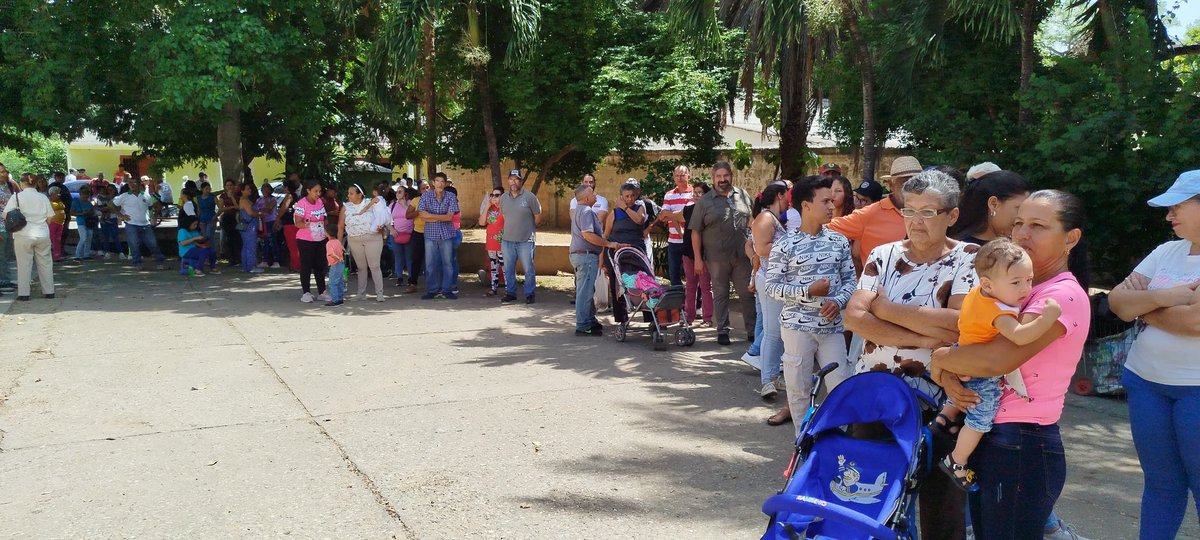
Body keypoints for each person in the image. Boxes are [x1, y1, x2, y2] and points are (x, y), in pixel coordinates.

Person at [928, 189, 1090, 539]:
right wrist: (950, 372)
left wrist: (941, 359)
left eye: (1038, 225)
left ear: (1071, 238)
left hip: (1022, 441)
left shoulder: (1060, 296)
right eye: (1018, 222)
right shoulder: (1015, 289)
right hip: (996, 435)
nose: (1022, 234)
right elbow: (972, 340)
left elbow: (996, 358)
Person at [844, 169, 977, 539]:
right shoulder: (884, 254)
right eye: (909, 210)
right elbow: (854, 317)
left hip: (940, 397)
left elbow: (959, 327)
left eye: (928, 212)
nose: (916, 221)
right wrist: (925, 332)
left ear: (951, 216)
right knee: (869, 492)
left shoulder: (970, 258)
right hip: (875, 393)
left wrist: (884, 310)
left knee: (941, 501)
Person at [1108, 169, 1200, 540]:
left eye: (1177, 206)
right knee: (1161, 484)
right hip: (1146, 382)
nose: (1168, 215)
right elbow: (1116, 302)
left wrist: (1142, 306)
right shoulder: (1166, 251)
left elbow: (1195, 323)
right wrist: (1166, 300)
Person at [937, 239, 1063, 490]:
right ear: (987, 283)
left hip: (963, 352)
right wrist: (1047, 319)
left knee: (961, 398)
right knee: (981, 419)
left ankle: (944, 416)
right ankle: (957, 460)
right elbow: (1020, 336)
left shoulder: (978, 295)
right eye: (1016, 283)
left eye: (1029, 279)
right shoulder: (999, 312)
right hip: (981, 371)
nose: (1025, 288)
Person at [765, 175, 855, 430]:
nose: (832, 205)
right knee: (798, 389)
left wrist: (837, 301)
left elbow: (851, 280)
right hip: (796, 328)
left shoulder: (838, 241)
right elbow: (771, 287)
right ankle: (802, 443)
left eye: (832, 200)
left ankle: (837, 446)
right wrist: (808, 291)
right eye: (825, 200)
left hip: (832, 329)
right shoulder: (785, 244)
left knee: (840, 387)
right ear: (806, 205)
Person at [688, 160, 755, 345]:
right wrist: (697, 260)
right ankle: (723, 330)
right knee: (720, 294)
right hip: (716, 258)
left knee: (747, 295)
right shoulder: (704, 201)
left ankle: (753, 332)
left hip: (742, 257)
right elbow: (695, 231)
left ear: (731, 176)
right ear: (713, 178)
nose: (722, 179)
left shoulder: (743, 195)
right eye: (719, 176)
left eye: (726, 176)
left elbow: (753, 220)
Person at [750, 184, 790, 399]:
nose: (789, 200)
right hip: (769, 281)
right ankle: (767, 380)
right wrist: (793, 248)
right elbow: (761, 248)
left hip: (775, 282)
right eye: (787, 195)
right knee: (773, 332)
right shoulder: (766, 218)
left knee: (777, 332)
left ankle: (772, 376)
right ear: (779, 196)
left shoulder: (772, 218)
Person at [571, 184, 624, 336]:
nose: (595, 196)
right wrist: (608, 244)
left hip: (581, 254)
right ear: (586, 198)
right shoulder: (587, 211)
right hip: (586, 255)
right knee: (585, 292)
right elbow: (588, 235)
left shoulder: (578, 211)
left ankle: (590, 320)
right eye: (592, 194)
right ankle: (583, 325)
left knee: (587, 289)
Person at [2, 173, 54, 300]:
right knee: (45, 263)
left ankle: (24, 294)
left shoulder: (17, 197)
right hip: (42, 233)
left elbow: (5, 215)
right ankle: (49, 291)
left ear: (21, 183)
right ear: (36, 183)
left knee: (24, 264)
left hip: (23, 234)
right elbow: (51, 217)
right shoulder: (42, 197)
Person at [948, 170, 1030, 245]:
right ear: (993, 204)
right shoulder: (963, 252)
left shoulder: (1016, 245)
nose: (1023, 217)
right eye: (1019, 208)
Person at [499, 169, 541, 304]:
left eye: (516, 179)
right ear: (508, 181)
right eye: (511, 179)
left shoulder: (530, 197)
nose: (513, 182)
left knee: (528, 268)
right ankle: (511, 293)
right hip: (507, 240)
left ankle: (529, 294)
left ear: (521, 181)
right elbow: (505, 216)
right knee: (508, 268)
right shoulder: (504, 198)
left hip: (525, 240)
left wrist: (529, 230)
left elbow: (538, 216)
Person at [340, 184, 387, 302]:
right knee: (361, 268)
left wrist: (383, 230)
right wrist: (339, 243)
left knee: (374, 266)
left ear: (360, 195)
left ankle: (379, 293)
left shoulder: (370, 203)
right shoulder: (346, 207)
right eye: (348, 193)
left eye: (351, 193)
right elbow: (340, 226)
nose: (348, 195)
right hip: (354, 239)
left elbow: (382, 217)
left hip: (372, 238)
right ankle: (361, 293)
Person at [418, 173, 460, 300]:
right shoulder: (425, 196)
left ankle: (447, 290)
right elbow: (422, 215)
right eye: (437, 181)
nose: (440, 184)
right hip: (430, 234)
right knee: (430, 263)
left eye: (442, 181)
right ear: (433, 182)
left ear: (445, 183)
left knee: (447, 263)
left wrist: (431, 216)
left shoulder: (451, 196)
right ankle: (432, 290)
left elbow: (449, 217)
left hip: (447, 234)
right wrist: (441, 217)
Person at [111, 176, 166, 271]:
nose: (132, 185)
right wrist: (121, 215)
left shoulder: (145, 195)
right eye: (130, 183)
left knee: (153, 243)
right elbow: (112, 204)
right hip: (131, 224)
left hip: (145, 223)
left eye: (134, 183)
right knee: (134, 244)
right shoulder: (124, 196)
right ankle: (137, 263)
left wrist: (155, 215)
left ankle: (160, 262)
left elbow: (153, 205)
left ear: (139, 184)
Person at [681, 181, 713, 326]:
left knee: (706, 286)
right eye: (695, 192)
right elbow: (676, 218)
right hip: (688, 252)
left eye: (700, 192)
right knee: (690, 285)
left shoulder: (711, 211)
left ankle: (707, 318)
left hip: (705, 253)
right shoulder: (688, 209)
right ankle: (689, 316)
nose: (696, 195)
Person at [293, 178, 329, 303]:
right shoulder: (301, 203)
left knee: (320, 266)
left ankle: (322, 291)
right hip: (305, 239)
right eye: (315, 191)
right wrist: (309, 224)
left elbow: (324, 219)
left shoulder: (320, 202)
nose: (318, 194)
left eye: (319, 191)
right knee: (306, 266)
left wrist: (327, 232)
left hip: (320, 238)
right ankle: (306, 292)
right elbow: (297, 222)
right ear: (308, 190)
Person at [659, 166, 695, 286]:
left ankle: (695, 302)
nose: (680, 178)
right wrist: (677, 215)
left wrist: (671, 215)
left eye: (683, 175)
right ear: (674, 177)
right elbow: (662, 216)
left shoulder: (694, 193)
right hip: (673, 240)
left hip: (690, 240)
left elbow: (688, 215)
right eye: (677, 175)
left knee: (692, 274)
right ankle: (677, 301)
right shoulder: (669, 195)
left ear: (688, 176)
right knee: (674, 274)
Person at [478, 187, 505, 296]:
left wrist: (501, 206)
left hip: (503, 242)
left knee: (505, 267)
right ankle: (494, 288)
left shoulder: (505, 208)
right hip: (491, 242)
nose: (494, 197)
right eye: (492, 195)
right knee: (493, 266)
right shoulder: (490, 208)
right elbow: (481, 222)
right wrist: (487, 206)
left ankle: (509, 290)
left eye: (497, 195)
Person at [388, 186, 415, 285]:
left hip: (408, 234)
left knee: (409, 257)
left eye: (400, 192)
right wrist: (392, 229)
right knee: (398, 256)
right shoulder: (392, 205)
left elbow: (413, 215)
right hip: (396, 234)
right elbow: (387, 219)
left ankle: (411, 278)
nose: (398, 193)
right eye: (397, 192)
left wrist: (404, 205)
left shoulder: (410, 203)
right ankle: (399, 277)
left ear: (405, 193)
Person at [237, 181, 263, 274]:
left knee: (246, 246)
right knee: (251, 246)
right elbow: (251, 213)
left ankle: (246, 266)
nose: (250, 190)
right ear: (242, 191)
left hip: (249, 225)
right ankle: (251, 266)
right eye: (247, 189)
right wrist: (259, 214)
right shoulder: (244, 200)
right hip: (249, 226)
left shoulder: (245, 200)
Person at [0, 163, 16, 291]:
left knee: (7, 254)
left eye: (5, 171)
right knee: (1, 255)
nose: (4, 174)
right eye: (1, 172)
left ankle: (6, 279)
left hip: (8, 226)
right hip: (0, 228)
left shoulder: (8, 185)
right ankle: (3, 281)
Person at [71, 185, 97, 260]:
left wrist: (90, 212)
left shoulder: (89, 203)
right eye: (84, 195)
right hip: (81, 222)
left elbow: (93, 212)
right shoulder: (75, 202)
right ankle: (78, 255)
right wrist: (81, 213)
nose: (85, 197)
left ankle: (86, 254)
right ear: (80, 194)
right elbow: (72, 213)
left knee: (89, 238)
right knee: (83, 237)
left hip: (89, 222)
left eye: (87, 195)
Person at [256, 183, 279, 268]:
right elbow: (256, 209)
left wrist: (266, 200)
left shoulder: (273, 199)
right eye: (263, 189)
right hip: (262, 222)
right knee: (264, 242)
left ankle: (276, 260)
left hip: (271, 221)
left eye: (266, 189)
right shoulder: (258, 200)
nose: (264, 191)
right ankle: (264, 260)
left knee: (272, 241)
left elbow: (269, 209)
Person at [96, 184, 121, 259]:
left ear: (115, 190)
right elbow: (100, 207)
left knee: (115, 236)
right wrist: (108, 208)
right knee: (105, 236)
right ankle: (107, 252)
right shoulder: (102, 197)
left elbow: (117, 208)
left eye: (112, 189)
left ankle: (120, 252)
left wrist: (108, 208)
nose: (110, 191)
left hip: (113, 218)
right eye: (109, 189)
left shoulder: (117, 198)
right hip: (104, 219)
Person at [219, 179, 241, 264]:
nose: (229, 187)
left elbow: (238, 207)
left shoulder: (237, 195)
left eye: (231, 185)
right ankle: (231, 258)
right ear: (225, 186)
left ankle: (238, 257)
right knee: (229, 238)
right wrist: (231, 207)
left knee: (237, 238)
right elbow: (221, 208)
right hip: (227, 218)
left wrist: (231, 197)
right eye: (227, 185)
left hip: (236, 218)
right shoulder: (223, 196)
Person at [325, 221, 346, 307]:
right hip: (341, 264)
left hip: (335, 264)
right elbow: (343, 249)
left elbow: (331, 253)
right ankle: (340, 298)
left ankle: (335, 299)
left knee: (333, 282)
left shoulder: (329, 243)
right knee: (340, 281)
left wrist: (338, 257)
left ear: (327, 233)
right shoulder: (337, 241)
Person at [47, 186, 66, 262]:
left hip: (60, 223)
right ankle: (49, 255)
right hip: (53, 222)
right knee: (51, 239)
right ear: (52, 194)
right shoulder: (49, 202)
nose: (59, 195)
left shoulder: (59, 201)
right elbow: (58, 206)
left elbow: (63, 206)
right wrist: (60, 205)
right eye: (57, 193)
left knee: (57, 240)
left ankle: (57, 255)